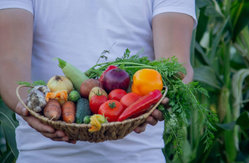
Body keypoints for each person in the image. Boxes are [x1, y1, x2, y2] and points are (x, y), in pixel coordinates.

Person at [0, 0, 196, 162]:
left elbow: (177, 63)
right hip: (42, 155)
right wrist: (28, 106)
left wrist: (158, 102)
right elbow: (9, 60)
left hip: (138, 155)